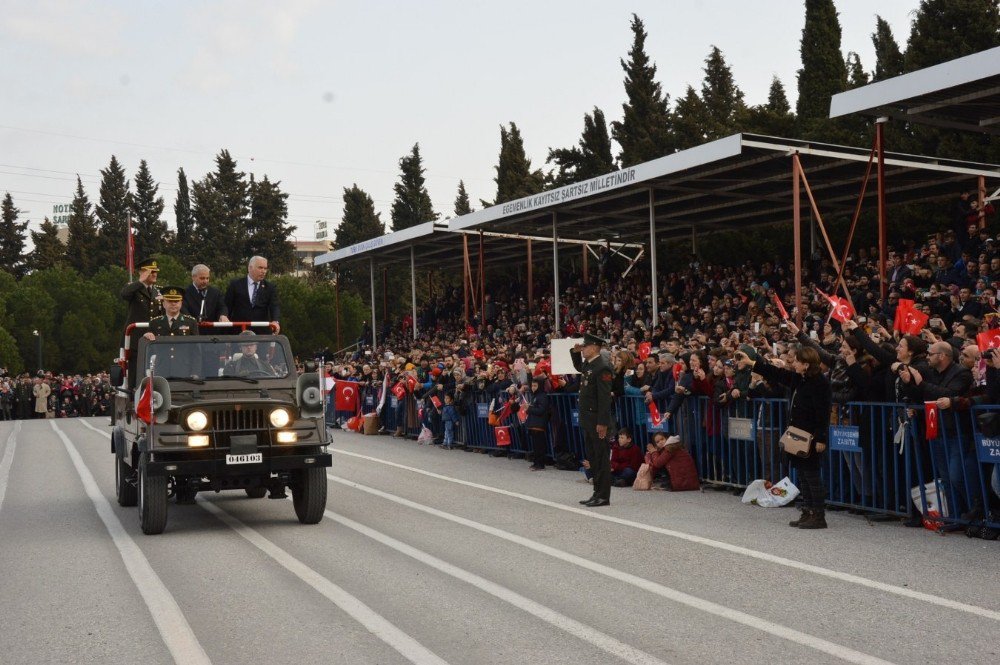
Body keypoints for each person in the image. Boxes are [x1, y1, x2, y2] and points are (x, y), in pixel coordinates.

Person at [736, 344, 832, 529]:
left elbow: (823, 413)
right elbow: (777, 374)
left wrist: (821, 438)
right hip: (797, 434)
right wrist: (752, 361)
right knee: (803, 475)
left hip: (811, 436)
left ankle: (818, 515)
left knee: (812, 475)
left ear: (806, 364)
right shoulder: (801, 379)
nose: (793, 363)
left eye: (797, 361)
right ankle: (807, 511)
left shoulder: (820, 382)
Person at [571, 332, 614, 507]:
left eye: (585, 346)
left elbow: (604, 399)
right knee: (593, 457)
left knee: (601, 458)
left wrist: (602, 423)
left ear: (595, 347)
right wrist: (574, 352)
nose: (583, 348)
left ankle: (603, 495)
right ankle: (596, 492)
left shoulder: (602, 367)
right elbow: (579, 366)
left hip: (597, 420)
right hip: (588, 419)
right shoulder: (590, 366)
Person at [142, 286, 201, 378]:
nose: (173, 304)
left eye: (176, 301)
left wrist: (195, 372)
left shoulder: (190, 322)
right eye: (170, 301)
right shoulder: (155, 322)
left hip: (184, 370)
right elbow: (149, 350)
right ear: (164, 303)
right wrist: (146, 336)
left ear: (181, 303)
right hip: (162, 369)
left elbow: (196, 350)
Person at [225, 255, 280, 334]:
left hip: (261, 334)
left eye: (265, 268)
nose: (263, 271)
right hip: (239, 332)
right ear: (250, 268)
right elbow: (227, 306)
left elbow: (275, 306)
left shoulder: (270, 287)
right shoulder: (235, 285)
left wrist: (275, 321)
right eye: (260, 268)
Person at [121, 257, 163, 327]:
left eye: (156, 272)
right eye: (151, 272)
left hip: (154, 333)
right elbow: (124, 294)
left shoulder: (159, 291)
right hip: (136, 333)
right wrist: (140, 281)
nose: (155, 275)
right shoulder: (134, 288)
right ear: (141, 272)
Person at [523, 373, 551, 471]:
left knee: (539, 445)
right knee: (535, 445)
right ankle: (536, 462)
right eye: (532, 386)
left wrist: (529, 409)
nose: (533, 387)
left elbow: (541, 410)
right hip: (533, 423)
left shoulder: (542, 396)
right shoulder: (535, 395)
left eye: (535, 386)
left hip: (539, 424)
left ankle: (540, 464)